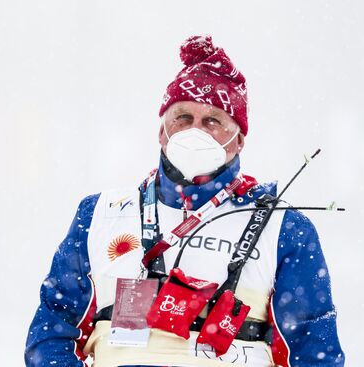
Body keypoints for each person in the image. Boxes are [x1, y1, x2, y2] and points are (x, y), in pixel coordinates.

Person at [25, 35, 345, 367]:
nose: (197, 131)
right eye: (182, 118)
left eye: (213, 120)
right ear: (162, 132)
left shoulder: (284, 228)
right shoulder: (99, 215)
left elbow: (314, 351)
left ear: (239, 141)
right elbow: (51, 333)